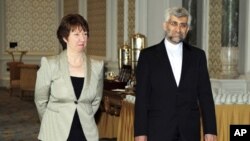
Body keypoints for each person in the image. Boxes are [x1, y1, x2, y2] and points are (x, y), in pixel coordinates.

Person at [134, 7, 217, 141]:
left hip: (189, 131)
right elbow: (142, 99)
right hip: (158, 130)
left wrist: (210, 130)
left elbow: (205, 96)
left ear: (187, 29)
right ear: (165, 25)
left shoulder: (198, 56)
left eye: (182, 25)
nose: (178, 29)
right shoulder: (147, 57)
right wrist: (140, 133)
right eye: (173, 23)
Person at [34, 14, 104, 141]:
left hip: (86, 132)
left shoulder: (97, 66)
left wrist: (85, 115)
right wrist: (50, 121)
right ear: (65, 38)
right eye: (76, 34)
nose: (82, 39)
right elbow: (40, 100)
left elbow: (96, 101)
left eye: (85, 33)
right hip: (55, 131)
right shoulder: (50, 64)